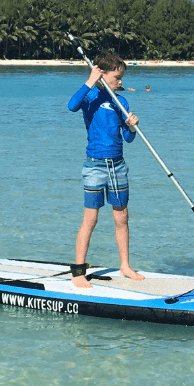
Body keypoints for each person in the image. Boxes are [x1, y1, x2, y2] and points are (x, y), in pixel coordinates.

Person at [67, 52, 144, 289]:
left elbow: (128, 139)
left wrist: (131, 128)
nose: (121, 82)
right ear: (102, 74)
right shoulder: (90, 96)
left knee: (122, 217)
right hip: (95, 166)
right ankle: (78, 272)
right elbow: (71, 106)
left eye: (122, 78)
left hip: (118, 165)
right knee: (90, 219)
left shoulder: (122, 102)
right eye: (117, 77)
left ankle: (125, 266)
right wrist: (91, 79)